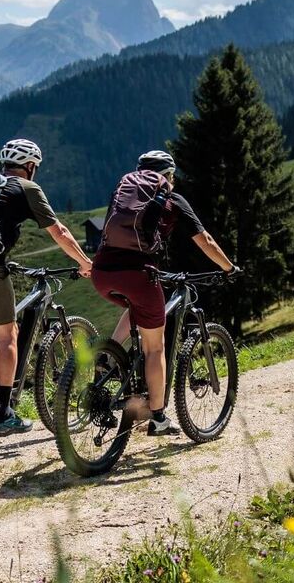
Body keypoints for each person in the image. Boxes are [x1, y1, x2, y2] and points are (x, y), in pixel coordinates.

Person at [0, 138, 93, 437]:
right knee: (9, 335)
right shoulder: (27, 188)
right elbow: (58, 231)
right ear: (31, 166)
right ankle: (3, 414)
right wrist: (85, 262)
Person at [91, 150, 237, 436]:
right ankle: (157, 418)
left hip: (102, 271)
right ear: (168, 175)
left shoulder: (124, 191)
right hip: (138, 273)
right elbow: (204, 240)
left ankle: (107, 355)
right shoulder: (172, 197)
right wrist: (229, 268)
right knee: (154, 347)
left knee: (136, 309)